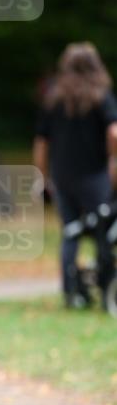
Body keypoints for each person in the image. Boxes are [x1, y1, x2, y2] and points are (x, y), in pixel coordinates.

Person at [33, 42, 117, 309]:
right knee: (103, 231)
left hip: (62, 177)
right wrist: (113, 160)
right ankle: (105, 287)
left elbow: (41, 142)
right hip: (94, 176)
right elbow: (114, 132)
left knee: (70, 232)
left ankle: (71, 293)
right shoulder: (100, 97)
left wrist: (42, 177)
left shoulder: (54, 98)